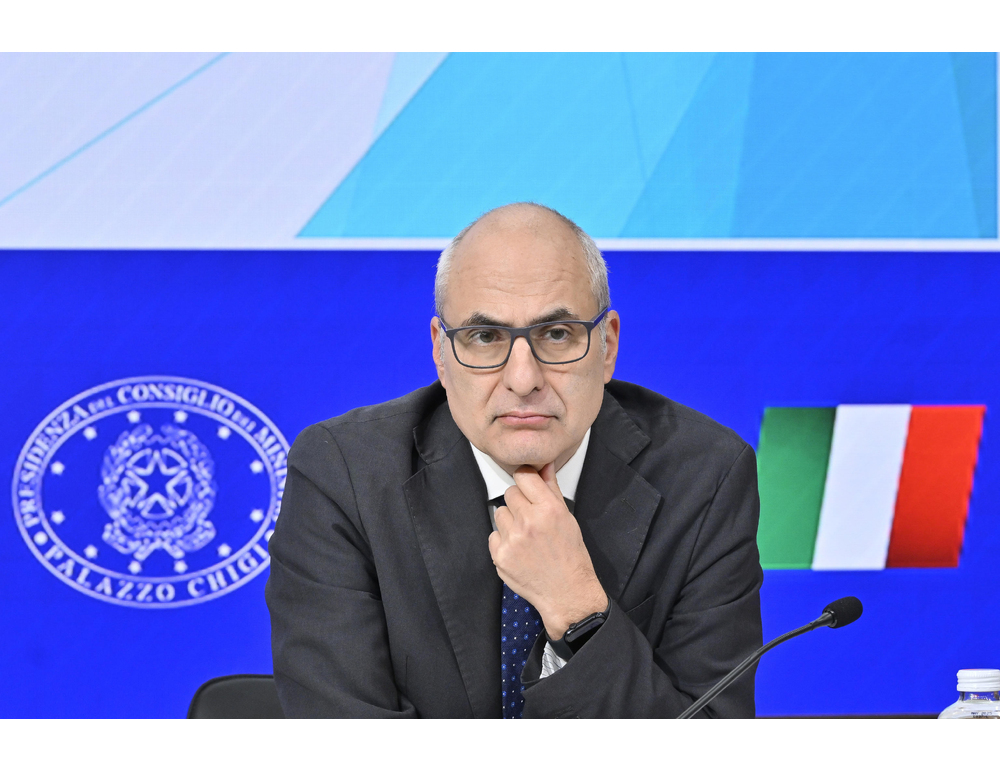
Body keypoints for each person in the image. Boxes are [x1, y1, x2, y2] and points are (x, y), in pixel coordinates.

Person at [265, 203, 763, 718]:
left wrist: (578, 611)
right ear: (441, 353)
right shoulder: (343, 476)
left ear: (607, 345)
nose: (523, 379)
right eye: (485, 337)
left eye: (557, 333)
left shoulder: (705, 477)